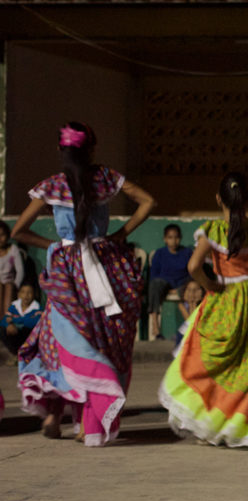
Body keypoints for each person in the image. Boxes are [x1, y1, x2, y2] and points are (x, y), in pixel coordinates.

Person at [12, 121, 155, 444]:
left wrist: (53, 247)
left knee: (60, 339)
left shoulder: (53, 185)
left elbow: (18, 230)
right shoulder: (105, 177)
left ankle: (54, 412)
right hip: (104, 265)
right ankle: (86, 420)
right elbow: (148, 201)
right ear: (92, 149)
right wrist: (120, 233)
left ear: (60, 151)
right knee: (100, 339)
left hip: (65, 270)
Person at [159, 172, 248, 447]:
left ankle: (213, 423)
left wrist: (210, 284)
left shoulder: (212, 230)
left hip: (225, 300)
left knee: (215, 362)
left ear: (218, 199)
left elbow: (192, 267)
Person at [148, 224, 193, 340]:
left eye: (176, 237)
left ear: (180, 238)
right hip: (164, 285)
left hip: (182, 285)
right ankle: (155, 326)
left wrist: (178, 288)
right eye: (170, 237)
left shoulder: (187, 253)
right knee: (154, 285)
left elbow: (191, 273)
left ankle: (192, 328)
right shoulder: (160, 254)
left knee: (192, 288)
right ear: (165, 239)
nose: (173, 241)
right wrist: (168, 289)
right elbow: (154, 275)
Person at [1, 283, 43, 361]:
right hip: (15, 335)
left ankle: (27, 354)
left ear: (34, 295)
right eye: (23, 292)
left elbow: (34, 322)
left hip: (27, 336)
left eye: (29, 292)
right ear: (19, 294)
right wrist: (9, 324)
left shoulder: (37, 308)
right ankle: (15, 354)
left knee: (27, 329)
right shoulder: (14, 306)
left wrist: (14, 320)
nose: (26, 295)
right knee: (3, 329)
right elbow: (4, 320)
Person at [0, 221, 25, 316]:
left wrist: (16, 285)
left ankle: (6, 320)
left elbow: (20, 270)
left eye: (2, 235)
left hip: (10, 285)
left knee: (9, 286)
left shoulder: (13, 249)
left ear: (7, 236)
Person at [174, 279, 204, 345]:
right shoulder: (181, 305)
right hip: (186, 332)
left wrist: (195, 303)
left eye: (195, 290)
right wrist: (191, 304)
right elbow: (190, 321)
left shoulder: (204, 305)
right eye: (189, 290)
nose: (192, 293)